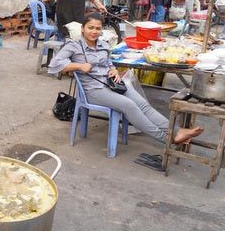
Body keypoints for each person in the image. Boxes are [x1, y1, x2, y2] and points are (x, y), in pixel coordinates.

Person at [48, 13, 203, 146]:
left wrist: (113, 69)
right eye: (90, 28)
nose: (94, 32)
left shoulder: (103, 44)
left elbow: (108, 62)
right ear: (83, 28)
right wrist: (79, 66)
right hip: (93, 90)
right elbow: (54, 65)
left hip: (111, 84)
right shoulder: (73, 46)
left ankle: (177, 131)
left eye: (98, 28)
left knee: (143, 104)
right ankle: (168, 139)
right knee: (129, 105)